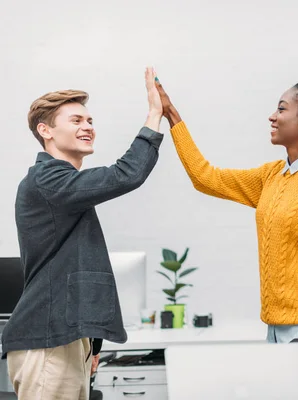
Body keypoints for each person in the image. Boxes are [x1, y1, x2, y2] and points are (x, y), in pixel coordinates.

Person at [156, 77, 298, 400]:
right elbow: (205, 177)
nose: (272, 117)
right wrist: (172, 116)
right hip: (277, 336)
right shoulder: (271, 176)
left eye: (281, 108)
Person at [1, 67, 164, 399]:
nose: (88, 127)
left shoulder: (65, 189)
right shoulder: (47, 180)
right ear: (45, 130)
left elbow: (78, 267)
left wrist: (91, 343)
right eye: (76, 120)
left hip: (68, 339)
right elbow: (125, 174)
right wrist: (154, 114)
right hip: (47, 340)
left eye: (89, 121)